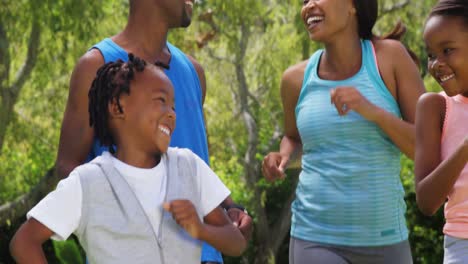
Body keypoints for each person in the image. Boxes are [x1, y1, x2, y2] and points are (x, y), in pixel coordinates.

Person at [55, 0, 252, 262]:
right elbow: (68, 166)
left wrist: (231, 209)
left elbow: (195, 166)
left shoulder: (194, 72)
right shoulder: (96, 66)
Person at [10, 56, 247, 263]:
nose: (171, 113)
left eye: (173, 106)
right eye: (160, 101)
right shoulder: (88, 183)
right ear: (117, 107)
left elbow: (236, 243)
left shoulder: (189, 167)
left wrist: (201, 229)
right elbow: (24, 243)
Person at [262, 0, 425, 263]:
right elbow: (293, 138)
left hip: (386, 239)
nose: (308, 6)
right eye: (304, 1)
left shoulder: (390, 58)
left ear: (353, 6)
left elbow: (426, 149)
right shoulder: (294, 79)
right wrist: (282, 157)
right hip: (314, 237)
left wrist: (371, 111)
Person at [414, 1, 468, 263]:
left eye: (447, 50)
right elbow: (426, 202)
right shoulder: (435, 107)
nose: (436, 64)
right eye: (431, 54)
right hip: (462, 246)